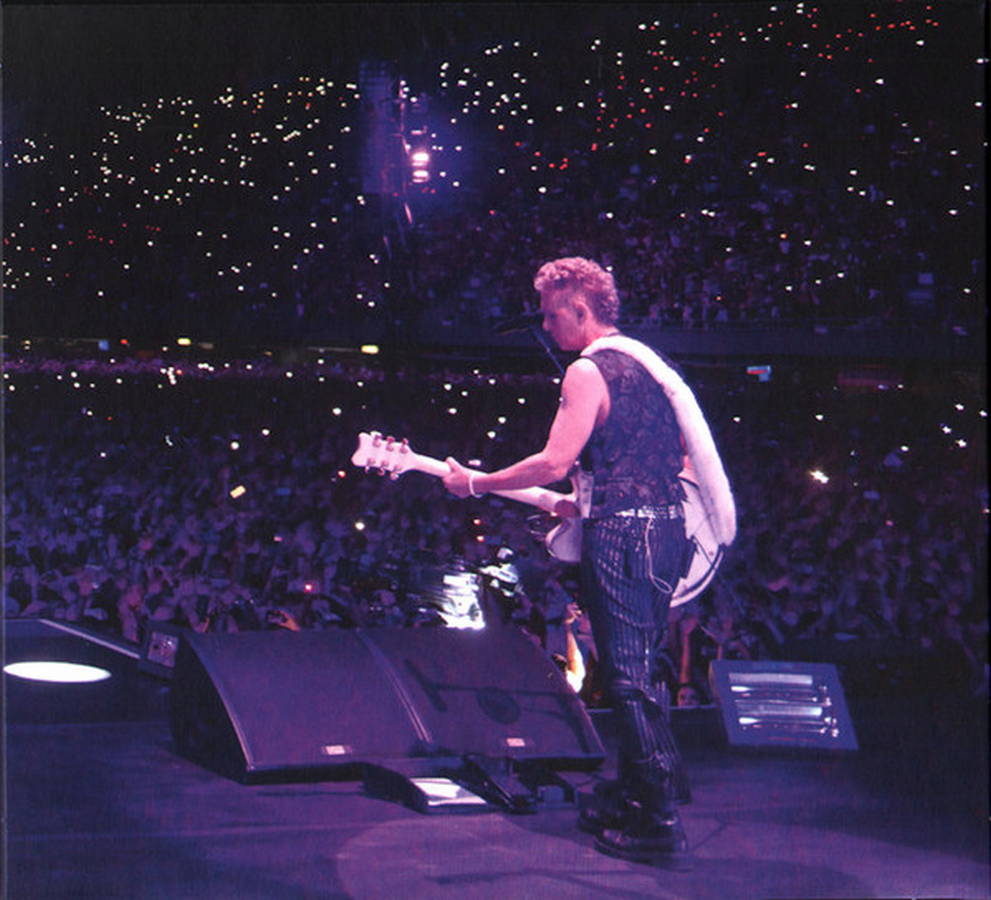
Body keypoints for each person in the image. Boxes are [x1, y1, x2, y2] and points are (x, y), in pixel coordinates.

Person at [443, 257, 735, 868]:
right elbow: (678, 458)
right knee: (641, 665)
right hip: (668, 529)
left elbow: (554, 461)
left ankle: (658, 820)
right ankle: (640, 789)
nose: (547, 327)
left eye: (552, 316)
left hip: (623, 533)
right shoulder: (653, 368)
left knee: (626, 675)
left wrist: (476, 483)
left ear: (580, 309)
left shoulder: (588, 370)